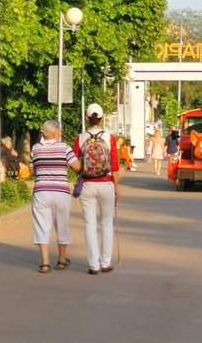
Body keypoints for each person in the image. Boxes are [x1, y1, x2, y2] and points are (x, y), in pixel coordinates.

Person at [73, 103, 120, 275]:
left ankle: (93, 265)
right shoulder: (110, 137)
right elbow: (114, 165)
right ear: (102, 118)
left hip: (87, 185)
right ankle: (105, 262)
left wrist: (84, 171)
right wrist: (116, 187)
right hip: (106, 183)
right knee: (107, 223)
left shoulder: (80, 138)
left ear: (87, 118)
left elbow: (76, 164)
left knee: (89, 224)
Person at [30, 120, 82, 274]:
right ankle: (61, 260)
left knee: (41, 226)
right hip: (61, 192)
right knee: (62, 225)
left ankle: (45, 263)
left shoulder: (35, 149)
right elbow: (77, 167)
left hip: (41, 192)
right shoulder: (64, 148)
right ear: (57, 132)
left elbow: (33, 171)